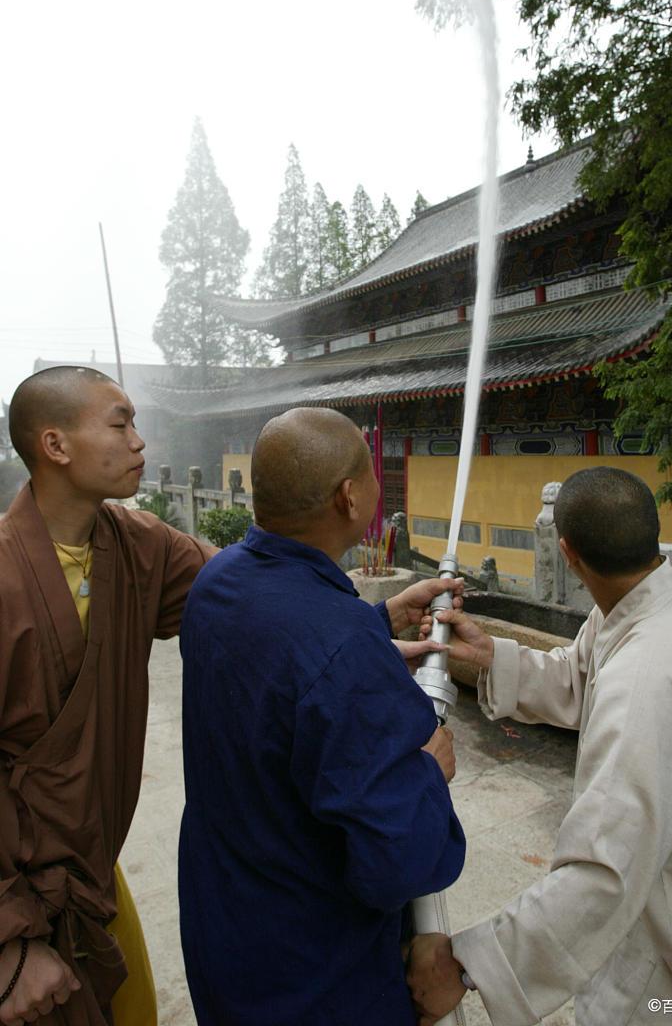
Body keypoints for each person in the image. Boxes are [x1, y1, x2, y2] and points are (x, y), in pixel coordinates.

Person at [407, 467, 672, 1026]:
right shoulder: (664, 591)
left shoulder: (648, 679)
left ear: (567, 553)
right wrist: (492, 654)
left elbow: (602, 876)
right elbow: (579, 676)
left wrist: (469, 966)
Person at [178, 407, 466, 1026]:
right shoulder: (337, 648)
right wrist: (426, 774)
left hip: (227, 932)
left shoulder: (217, 582)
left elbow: (280, 652)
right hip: (317, 972)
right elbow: (395, 864)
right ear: (351, 496)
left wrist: (379, 618)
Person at [0, 366, 213, 1026]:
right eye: (120, 424)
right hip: (14, 895)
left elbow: (245, 598)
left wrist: (365, 629)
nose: (139, 442)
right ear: (56, 445)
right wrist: (9, 944)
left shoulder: (136, 543)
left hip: (89, 872)